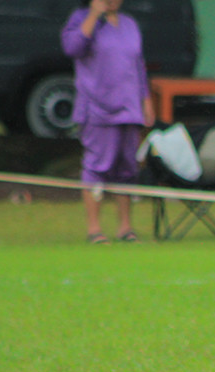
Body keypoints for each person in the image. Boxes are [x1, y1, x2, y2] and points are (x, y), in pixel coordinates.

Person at [62, 0, 155, 244]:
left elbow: (138, 66)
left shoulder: (130, 24)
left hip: (129, 108)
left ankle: (125, 227)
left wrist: (146, 100)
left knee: (127, 168)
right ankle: (94, 229)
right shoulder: (80, 18)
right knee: (98, 166)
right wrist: (93, 15)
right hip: (98, 109)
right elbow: (73, 48)